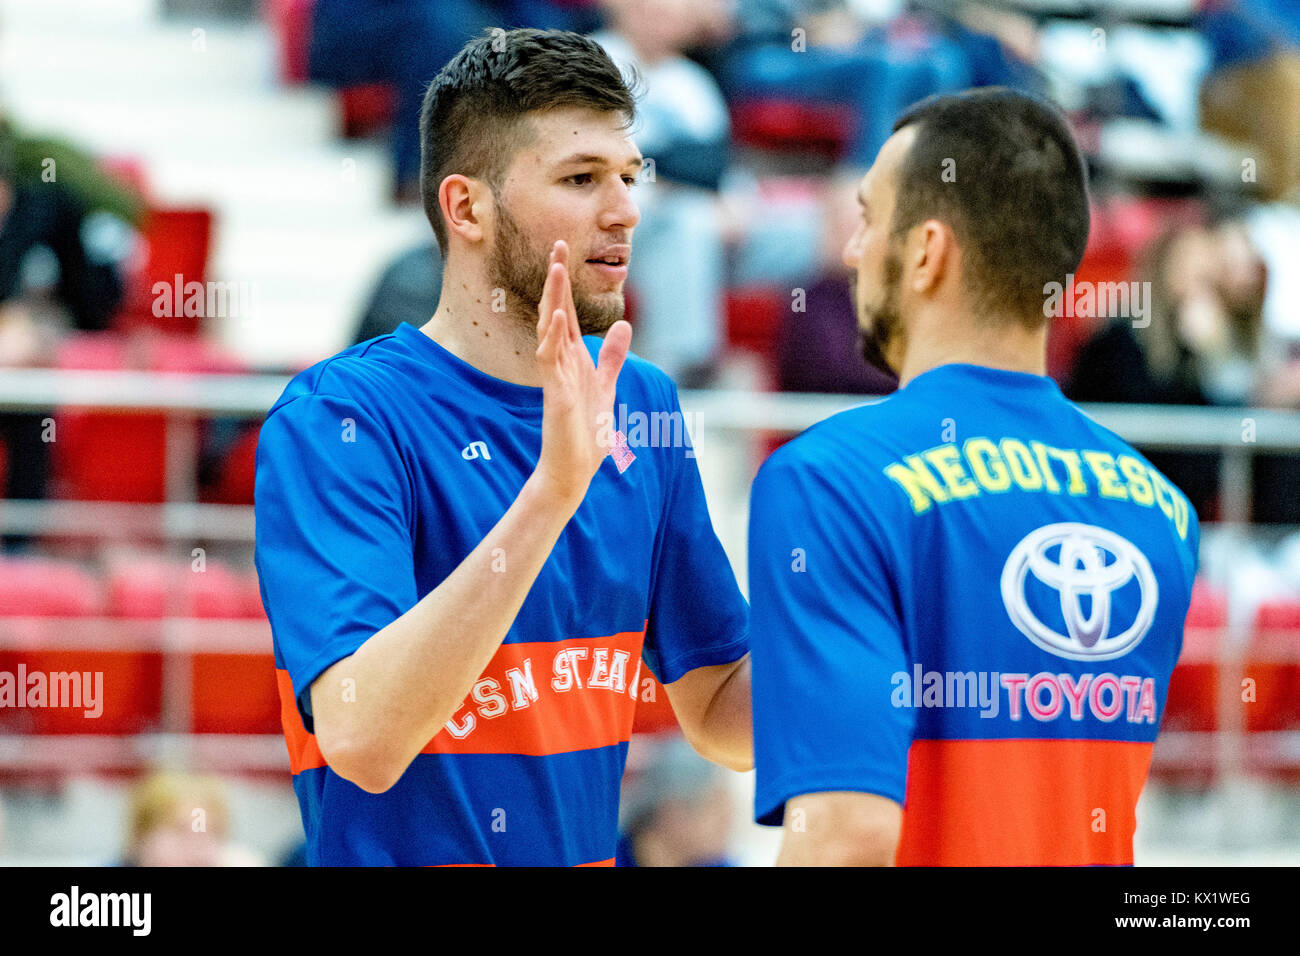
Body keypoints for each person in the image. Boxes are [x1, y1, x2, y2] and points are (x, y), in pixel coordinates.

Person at [255, 28, 752, 867]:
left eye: (629, 177)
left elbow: (723, 714)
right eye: (582, 178)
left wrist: (881, 621)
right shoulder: (340, 418)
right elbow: (364, 739)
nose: (625, 208)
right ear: (467, 208)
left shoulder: (642, 405)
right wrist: (551, 495)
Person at [746, 88, 1199, 866]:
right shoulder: (1162, 509)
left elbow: (845, 836)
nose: (853, 252)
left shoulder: (829, 479)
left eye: (869, 219)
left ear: (926, 252)